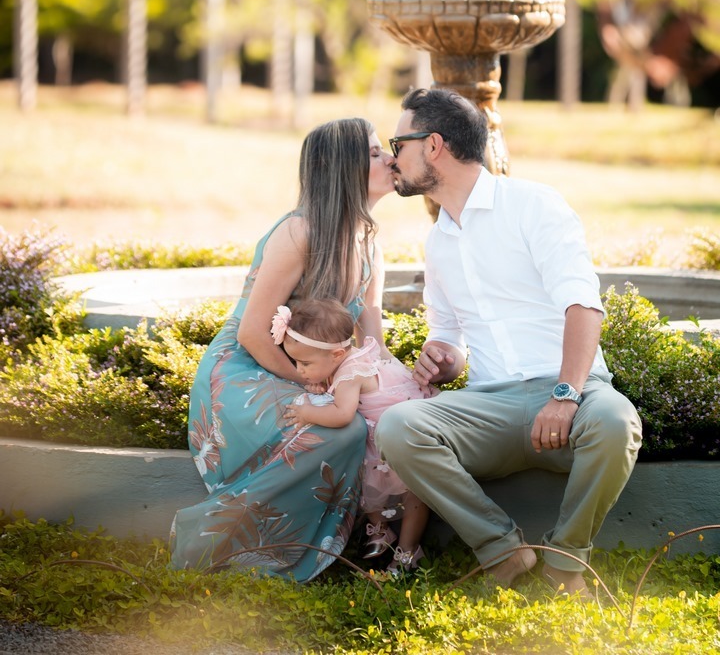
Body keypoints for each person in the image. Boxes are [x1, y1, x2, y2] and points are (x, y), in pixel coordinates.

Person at [375, 88, 643, 597]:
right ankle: (501, 549)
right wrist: (442, 358)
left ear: (433, 146)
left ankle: (566, 561)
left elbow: (583, 305)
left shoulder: (533, 204)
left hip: (574, 394)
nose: (393, 157)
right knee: (398, 426)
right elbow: (450, 336)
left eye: (399, 143)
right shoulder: (438, 241)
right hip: (491, 405)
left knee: (616, 421)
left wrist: (565, 396)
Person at [169, 118, 396, 580]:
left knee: (380, 419)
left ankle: (362, 545)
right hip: (245, 372)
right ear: (341, 168)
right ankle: (210, 537)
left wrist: (400, 382)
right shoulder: (299, 233)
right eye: (374, 153)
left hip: (311, 372)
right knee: (342, 429)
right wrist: (310, 382)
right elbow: (252, 333)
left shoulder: (369, 242)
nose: (390, 158)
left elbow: (370, 330)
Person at [277, 298, 436, 574]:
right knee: (367, 478)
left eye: (304, 363)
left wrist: (307, 414)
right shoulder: (346, 361)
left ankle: (409, 551)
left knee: (413, 491)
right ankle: (381, 530)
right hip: (381, 429)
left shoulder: (351, 372)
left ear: (336, 355)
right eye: (296, 362)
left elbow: (342, 414)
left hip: (406, 435)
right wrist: (322, 381)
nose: (299, 369)